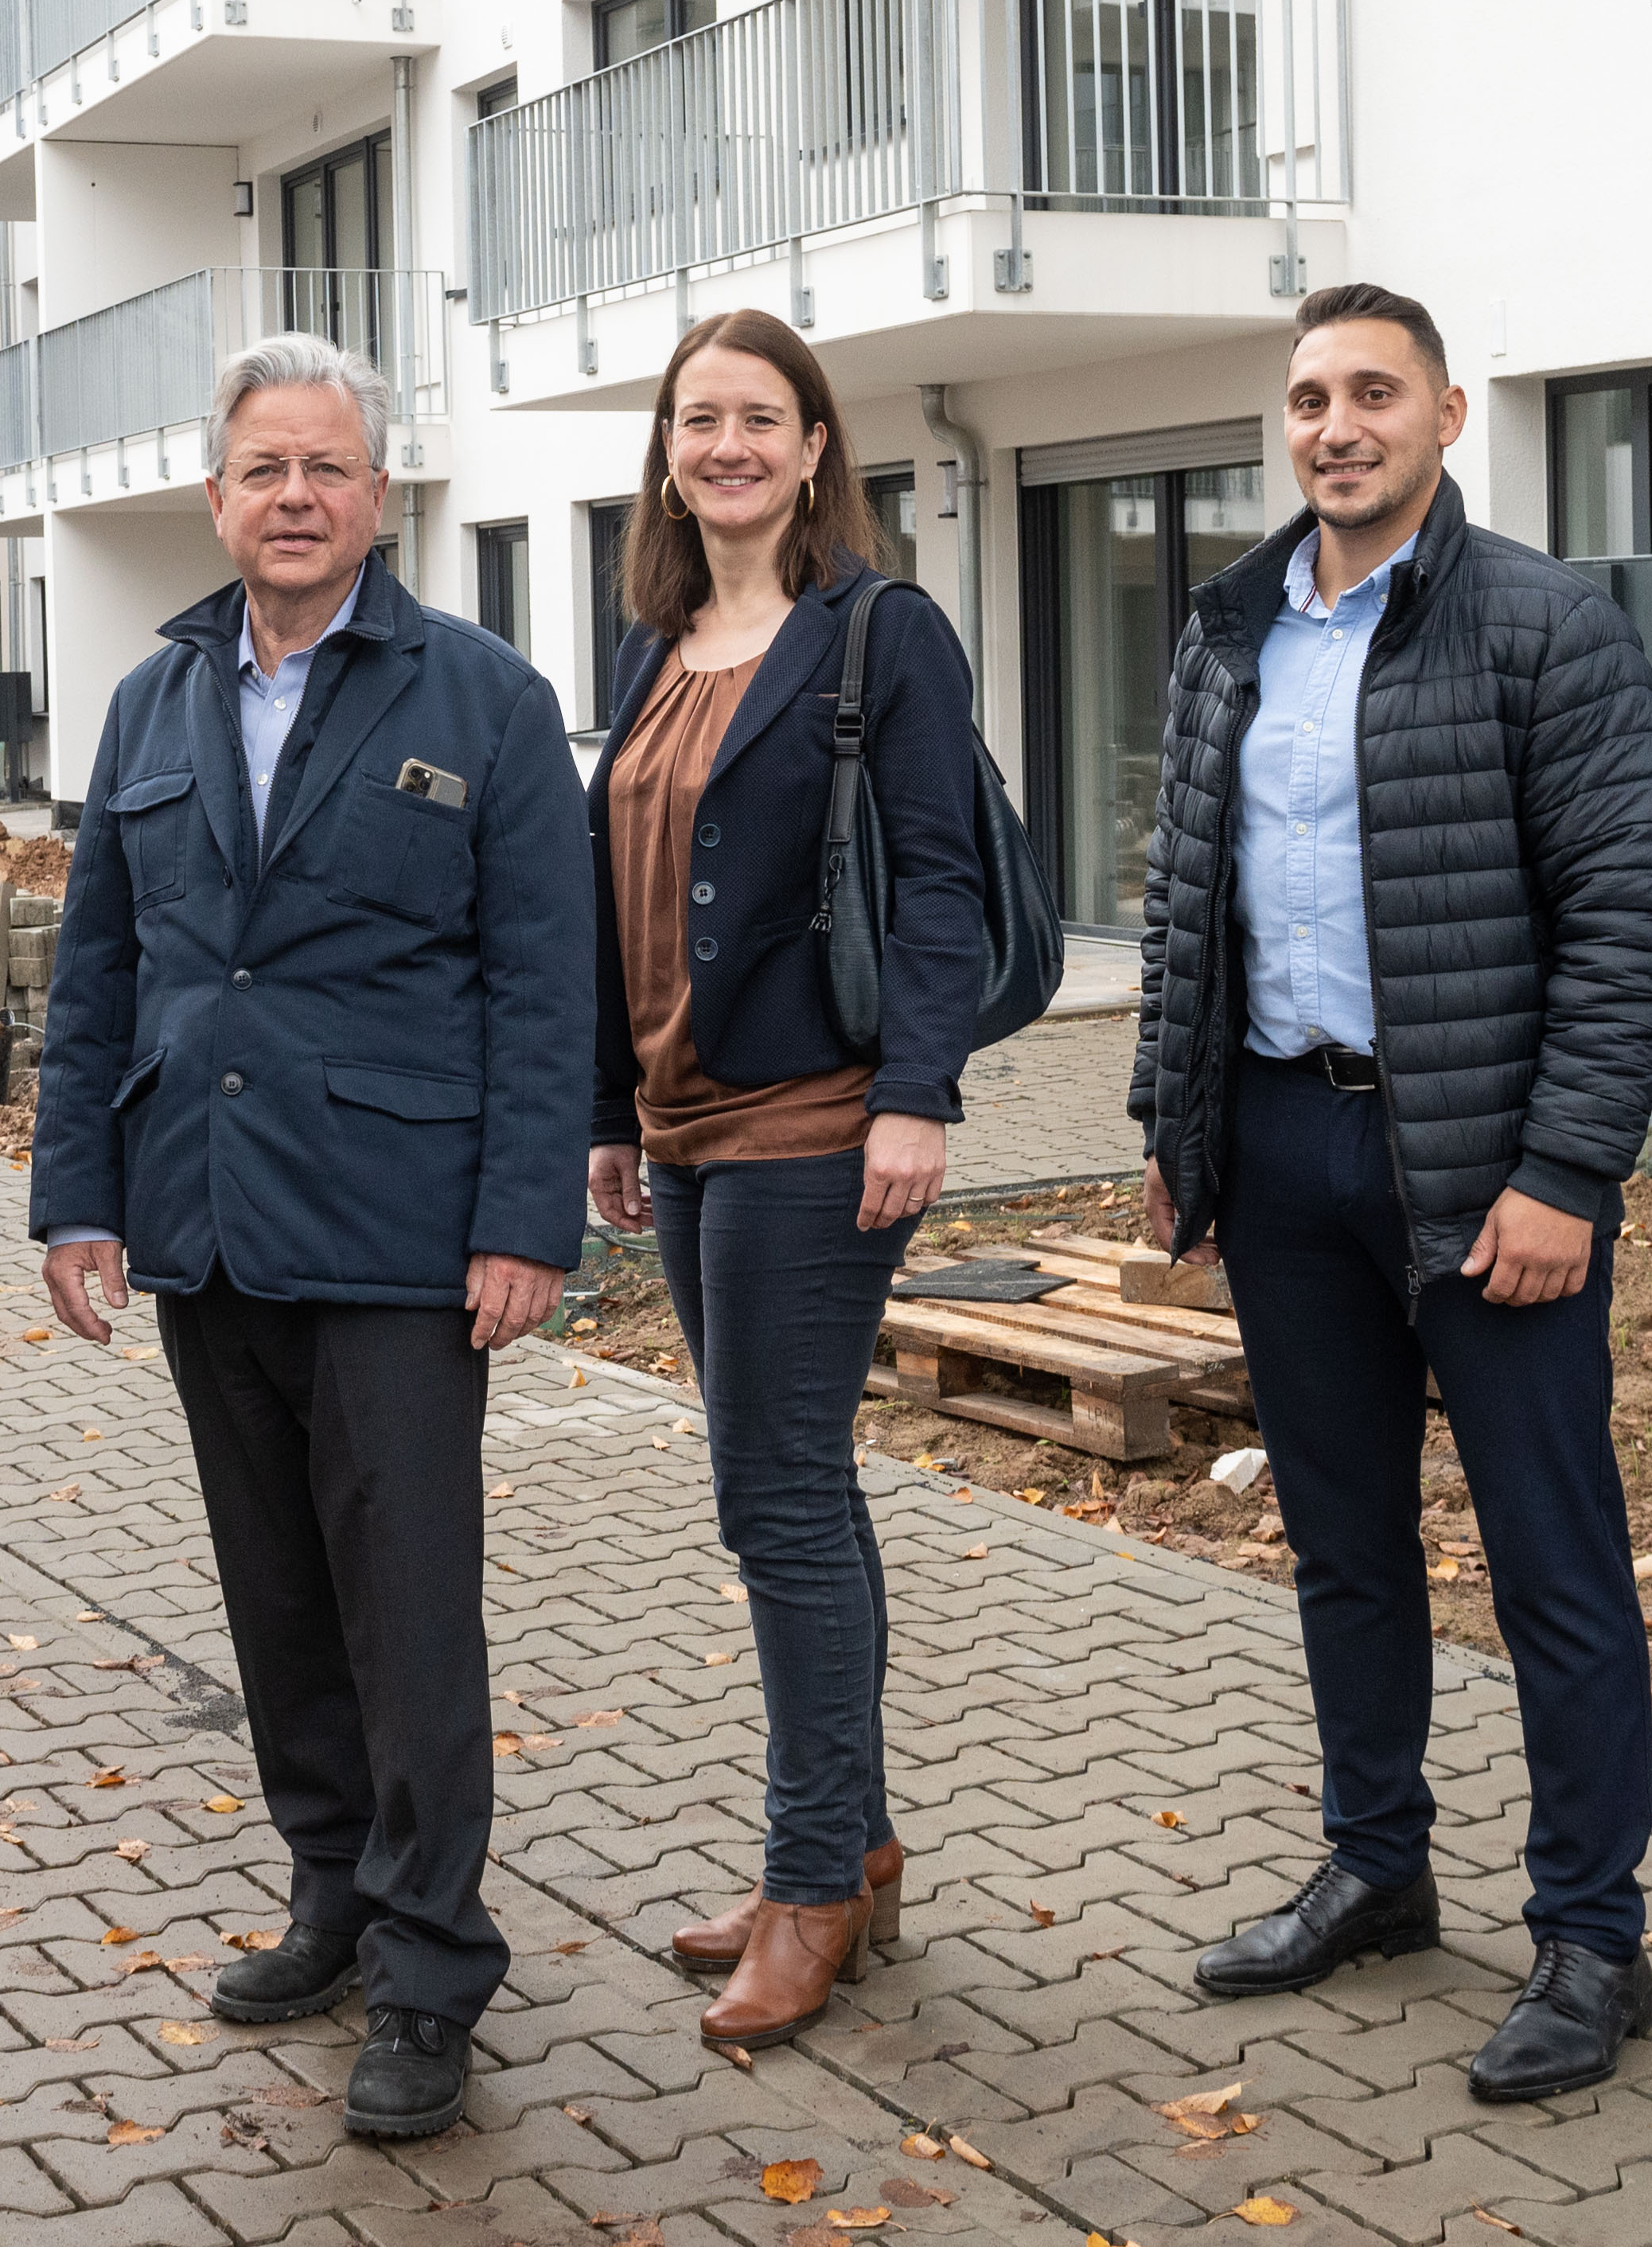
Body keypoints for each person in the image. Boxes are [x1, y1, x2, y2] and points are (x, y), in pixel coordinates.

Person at [1130, 281, 1652, 2105]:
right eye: (1309, 398)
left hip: (1480, 1165)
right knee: (1344, 1545)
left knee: (1551, 1561)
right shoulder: (1230, 630)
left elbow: (1631, 915)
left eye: (1374, 392)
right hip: (1283, 1151)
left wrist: (1566, 1169)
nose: (1336, 426)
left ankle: (1592, 1938)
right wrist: (1177, 1132)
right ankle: (1376, 1868)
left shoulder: (1542, 623)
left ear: (1446, 416)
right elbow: (1181, 899)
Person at [28, 334, 586, 2144]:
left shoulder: (483, 699)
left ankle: (432, 1962)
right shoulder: (152, 700)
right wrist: (76, 1194)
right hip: (205, 1223)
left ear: (378, 495)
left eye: (326, 467)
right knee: (275, 1598)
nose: (293, 496)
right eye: (263, 467)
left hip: (400, 1237)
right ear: (216, 497)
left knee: (407, 1613)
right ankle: (333, 1891)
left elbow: (544, 984)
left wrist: (524, 1222)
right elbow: (98, 970)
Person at [579, 311, 983, 2047]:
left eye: (760, 417)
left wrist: (918, 1095)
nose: (727, 445)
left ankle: (811, 1882)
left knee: (777, 1501)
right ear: (668, 455)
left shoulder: (880, 634)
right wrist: (607, 1104)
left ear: (816, 448)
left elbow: (943, 877)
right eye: (699, 420)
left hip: (815, 1120)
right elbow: (612, 891)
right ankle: (853, 1846)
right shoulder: (653, 644)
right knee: (799, 1489)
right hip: (681, 1125)